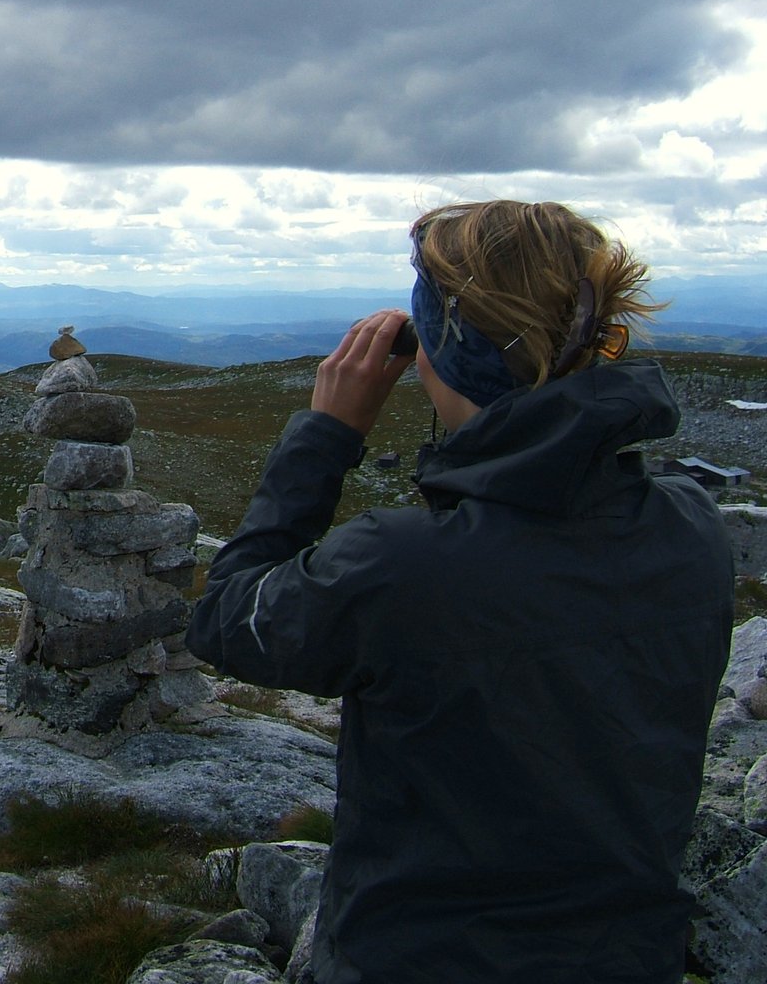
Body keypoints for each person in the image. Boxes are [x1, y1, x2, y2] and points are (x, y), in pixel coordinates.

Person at [186, 199, 734, 984]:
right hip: (628, 959)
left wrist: (326, 434)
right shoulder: (691, 527)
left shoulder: (400, 565)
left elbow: (226, 620)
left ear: (441, 352)